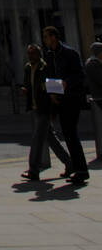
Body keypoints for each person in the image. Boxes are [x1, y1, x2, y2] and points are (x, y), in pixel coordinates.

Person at [42, 26, 89, 184]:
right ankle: (76, 168)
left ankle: (82, 170)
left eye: (47, 37)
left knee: (71, 134)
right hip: (59, 100)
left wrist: (66, 83)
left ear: (54, 37)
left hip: (72, 98)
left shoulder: (70, 53)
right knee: (68, 134)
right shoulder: (49, 55)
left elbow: (80, 75)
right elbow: (50, 75)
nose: (45, 40)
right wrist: (52, 93)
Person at [22, 43, 71, 181]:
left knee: (37, 138)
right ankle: (69, 163)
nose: (30, 56)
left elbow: (54, 88)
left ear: (39, 54)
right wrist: (25, 90)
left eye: (33, 53)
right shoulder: (27, 68)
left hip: (45, 108)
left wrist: (53, 103)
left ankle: (33, 169)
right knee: (51, 139)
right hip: (35, 107)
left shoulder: (45, 68)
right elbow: (28, 84)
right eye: (29, 53)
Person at [84, 42, 102, 112]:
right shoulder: (93, 64)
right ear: (99, 52)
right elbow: (100, 79)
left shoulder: (96, 62)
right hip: (99, 96)